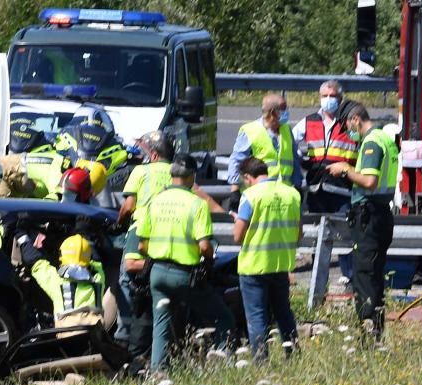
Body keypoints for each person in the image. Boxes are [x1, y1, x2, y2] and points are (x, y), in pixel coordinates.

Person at [135, 154, 235, 371]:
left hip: (157, 273)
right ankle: (220, 360)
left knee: (161, 325)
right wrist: (208, 260)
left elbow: (141, 246)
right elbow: (204, 246)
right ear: (192, 176)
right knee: (223, 316)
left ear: (172, 176)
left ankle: (158, 372)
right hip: (184, 275)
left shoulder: (155, 202)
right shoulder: (197, 205)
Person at [325, 103, 399, 345]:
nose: (349, 133)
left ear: (355, 119)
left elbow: (369, 181)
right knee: (373, 276)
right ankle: (375, 332)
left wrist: (345, 170)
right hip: (379, 214)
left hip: (369, 217)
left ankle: (369, 336)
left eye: (348, 126)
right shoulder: (385, 138)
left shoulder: (372, 142)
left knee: (365, 277)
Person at [232, 156, 302, 360]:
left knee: (257, 316)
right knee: (283, 313)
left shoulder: (251, 196)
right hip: (280, 265)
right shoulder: (291, 194)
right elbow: (298, 234)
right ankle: (294, 354)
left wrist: (238, 221)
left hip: (254, 266)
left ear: (248, 176)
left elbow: (238, 236)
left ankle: (261, 360)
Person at [113, 131, 175, 346]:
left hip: (141, 228)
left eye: (146, 151)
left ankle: (124, 335)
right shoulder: (176, 173)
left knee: (126, 279)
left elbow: (129, 206)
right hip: (169, 230)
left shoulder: (141, 171)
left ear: (155, 155)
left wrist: (118, 222)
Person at [292, 80, 358, 283]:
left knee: (345, 232)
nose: (328, 100)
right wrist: (300, 161)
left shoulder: (349, 123)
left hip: (341, 188)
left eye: (333, 96)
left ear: (340, 98)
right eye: (325, 95)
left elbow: (361, 147)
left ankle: (349, 275)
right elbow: (291, 142)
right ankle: (318, 274)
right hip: (316, 187)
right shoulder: (309, 121)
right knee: (316, 232)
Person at [227, 93, 301, 210]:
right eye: (283, 109)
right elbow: (236, 161)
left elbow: (294, 161)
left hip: (283, 196)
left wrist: (298, 186)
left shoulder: (287, 130)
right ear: (272, 112)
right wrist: (235, 190)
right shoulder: (250, 131)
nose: (286, 111)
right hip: (258, 196)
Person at [17, 232, 106, 329]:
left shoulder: (57, 282)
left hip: (66, 340)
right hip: (95, 338)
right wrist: (83, 233)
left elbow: (36, 263)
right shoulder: (98, 279)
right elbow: (96, 262)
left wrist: (21, 235)